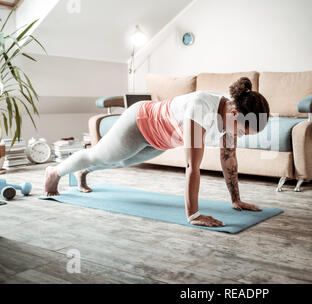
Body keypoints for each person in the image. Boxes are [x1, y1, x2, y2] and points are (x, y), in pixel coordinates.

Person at [44, 77, 271, 227]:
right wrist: (193, 215)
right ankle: (55, 172)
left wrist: (236, 201)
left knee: (121, 162)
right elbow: (192, 167)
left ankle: (82, 172)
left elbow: (229, 158)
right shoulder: (202, 108)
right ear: (233, 113)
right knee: (100, 156)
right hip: (140, 123)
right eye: (242, 131)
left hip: (161, 140)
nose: (239, 136)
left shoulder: (234, 112)